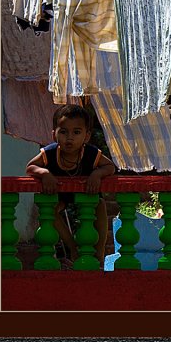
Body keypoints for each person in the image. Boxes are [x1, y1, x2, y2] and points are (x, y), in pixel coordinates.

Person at [26, 104, 115, 266]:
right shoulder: (50, 153)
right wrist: (44, 173)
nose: (70, 138)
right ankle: (72, 247)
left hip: (86, 192)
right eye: (64, 132)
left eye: (76, 132)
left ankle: (100, 252)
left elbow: (110, 167)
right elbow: (30, 167)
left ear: (87, 136)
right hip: (60, 194)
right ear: (54, 135)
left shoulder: (90, 153)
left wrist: (97, 173)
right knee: (50, 210)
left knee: (100, 205)